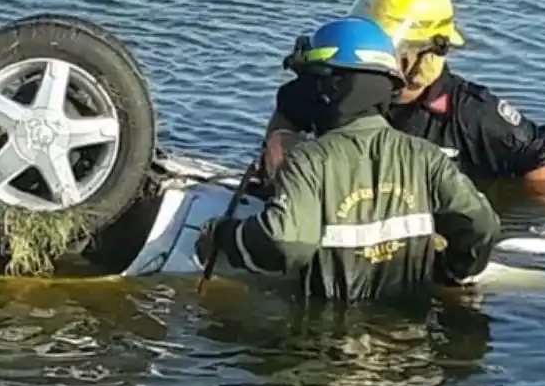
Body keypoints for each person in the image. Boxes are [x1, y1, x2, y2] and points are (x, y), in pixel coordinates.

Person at [196, 16, 501, 302]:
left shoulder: (309, 162)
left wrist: (224, 236)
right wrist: (450, 271)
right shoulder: (427, 157)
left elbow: (287, 242)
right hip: (411, 334)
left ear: (327, 88)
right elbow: (481, 226)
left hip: (326, 334)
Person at [262, 0, 545, 185]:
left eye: (392, 49)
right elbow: (286, 115)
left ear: (430, 53)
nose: (376, 56)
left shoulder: (471, 115)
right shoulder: (334, 88)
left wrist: (511, 214)